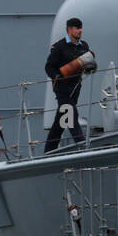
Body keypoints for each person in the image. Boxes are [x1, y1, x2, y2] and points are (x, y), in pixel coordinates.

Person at [44, 17, 95, 153]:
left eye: (81, 28)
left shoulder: (84, 46)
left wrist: (89, 67)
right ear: (69, 29)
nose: (80, 30)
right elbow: (49, 67)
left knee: (61, 119)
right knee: (70, 111)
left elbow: (88, 65)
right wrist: (57, 77)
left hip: (75, 87)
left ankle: (49, 149)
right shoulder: (59, 47)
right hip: (61, 88)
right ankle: (82, 145)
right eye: (77, 28)